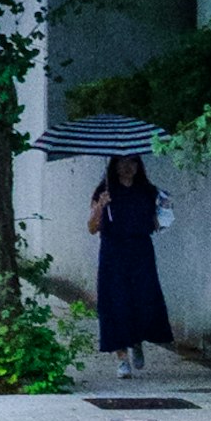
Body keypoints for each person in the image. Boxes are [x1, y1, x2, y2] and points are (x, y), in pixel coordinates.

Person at [89, 147, 173, 374]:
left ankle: (137, 341)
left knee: (143, 299)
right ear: (114, 166)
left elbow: (158, 222)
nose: (128, 167)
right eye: (123, 162)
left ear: (139, 166)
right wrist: (100, 207)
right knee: (116, 302)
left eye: (133, 162)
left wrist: (164, 212)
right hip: (113, 252)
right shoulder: (104, 191)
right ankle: (121, 358)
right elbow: (92, 228)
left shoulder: (147, 191)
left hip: (140, 251)